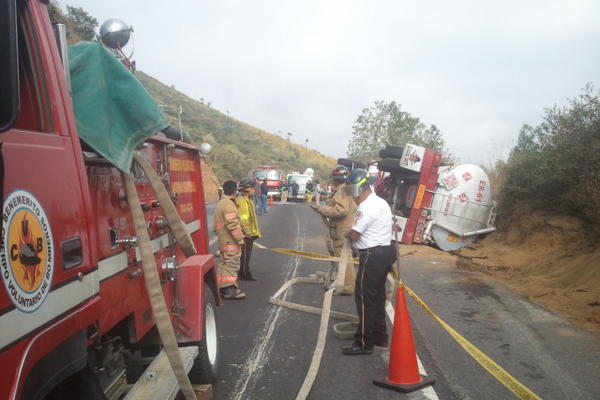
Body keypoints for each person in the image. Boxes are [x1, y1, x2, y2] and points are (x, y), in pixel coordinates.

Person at [342, 169, 395, 355]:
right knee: (378, 297)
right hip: (385, 253)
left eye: (353, 193)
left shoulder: (366, 208)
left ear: (362, 189)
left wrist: (346, 233)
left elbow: (354, 234)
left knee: (365, 299)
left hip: (372, 256)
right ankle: (381, 336)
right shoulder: (380, 202)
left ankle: (364, 342)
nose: (353, 198)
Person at [311, 165, 356, 295]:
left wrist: (320, 209)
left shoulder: (342, 190)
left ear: (335, 179)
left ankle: (346, 287)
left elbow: (341, 210)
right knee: (342, 256)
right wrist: (326, 200)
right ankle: (342, 281)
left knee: (343, 257)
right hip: (345, 227)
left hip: (341, 229)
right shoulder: (347, 189)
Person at [213, 180, 246, 299]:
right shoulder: (228, 204)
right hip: (230, 240)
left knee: (224, 263)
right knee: (232, 264)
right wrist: (240, 239)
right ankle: (229, 290)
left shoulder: (221, 203)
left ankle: (221, 288)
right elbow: (232, 223)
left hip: (223, 240)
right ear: (234, 191)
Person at [236, 178, 261, 281]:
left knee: (246, 254)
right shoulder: (242, 201)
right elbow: (243, 218)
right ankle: (245, 274)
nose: (254, 190)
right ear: (247, 189)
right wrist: (247, 231)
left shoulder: (248, 200)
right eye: (252, 188)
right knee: (245, 255)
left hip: (250, 233)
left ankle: (243, 272)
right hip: (246, 234)